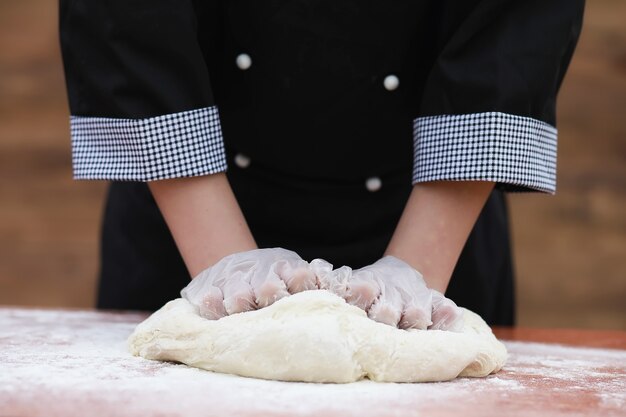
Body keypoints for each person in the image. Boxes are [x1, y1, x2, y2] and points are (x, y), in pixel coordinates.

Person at [59, 0, 585, 328]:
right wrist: (226, 272)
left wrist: (414, 278)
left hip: (435, 219)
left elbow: (517, 25)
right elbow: (126, 16)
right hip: (186, 216)